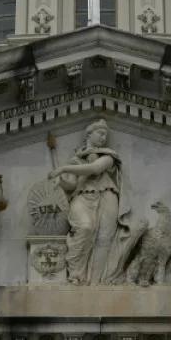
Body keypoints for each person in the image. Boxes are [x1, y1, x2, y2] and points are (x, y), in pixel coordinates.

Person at [48, 119, 131, 284]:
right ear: (89, 134)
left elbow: (94, 168)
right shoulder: (76, 159)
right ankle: (76, 276)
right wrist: (61, 182)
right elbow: (72, 184)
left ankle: (96, 282)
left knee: (104, 239)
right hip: (82, 197)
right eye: (100, 133)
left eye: (105, 135)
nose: (103, 138)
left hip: (107, 196)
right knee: (85, 227)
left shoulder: (109, 156)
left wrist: (64, 168)